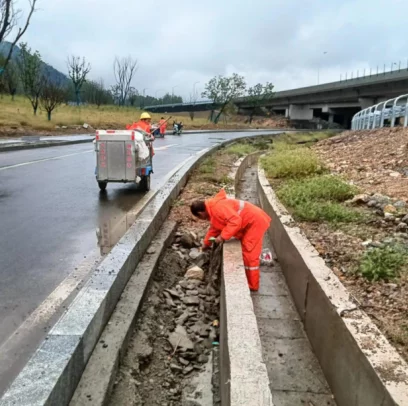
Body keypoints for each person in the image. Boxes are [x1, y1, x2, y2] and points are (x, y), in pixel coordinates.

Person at [190, 189, 271, 291]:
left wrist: (222, 237)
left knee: (249, 253)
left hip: (255, 222)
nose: (202, 219)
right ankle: (251, 276)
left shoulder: (217, 208)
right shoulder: (212, 210)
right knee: (248, 250)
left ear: (200, 213)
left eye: (199, 218)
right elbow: (214, 229)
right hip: (249, 222)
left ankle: (252, 286)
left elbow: (235, 222)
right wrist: (205, 244)